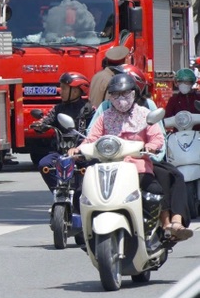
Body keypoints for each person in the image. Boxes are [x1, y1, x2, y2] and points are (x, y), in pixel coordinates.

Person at [71, 73, 190, 240]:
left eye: (125, 93)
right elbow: (92, 138)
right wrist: (79, 150)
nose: (121, 98)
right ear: (110, 97)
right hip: (107, 167)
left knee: (155, 190)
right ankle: (84, 229)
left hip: (137, 167)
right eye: (116, 94)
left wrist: (150, 147)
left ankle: (156, 227)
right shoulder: (105, 116)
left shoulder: (145, 114)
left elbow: (157, 137)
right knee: (81, 191)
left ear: (134, 93)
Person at [32, 72, 94, 191]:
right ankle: (59, 191)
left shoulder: (89, 109)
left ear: (75, 91)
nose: (61, 91)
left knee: (93, 167)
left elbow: (95, 130)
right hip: (60, 153)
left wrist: (82, 149)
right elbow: (47, 120)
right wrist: (39, 125)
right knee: (44, 165)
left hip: (81, 154)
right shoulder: (58, 108)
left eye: (64, 88)